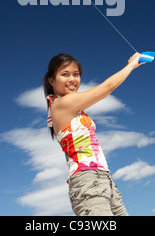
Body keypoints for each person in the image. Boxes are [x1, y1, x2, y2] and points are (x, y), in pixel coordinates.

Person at [43, 52, 145, 216]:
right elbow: (106, 88)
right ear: (52, 80)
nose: (72, 79)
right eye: (65, 74)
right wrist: (132, 65)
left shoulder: (73, 107)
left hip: (104, 178)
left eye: (76, 74)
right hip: (87, 180)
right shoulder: (62, 103)